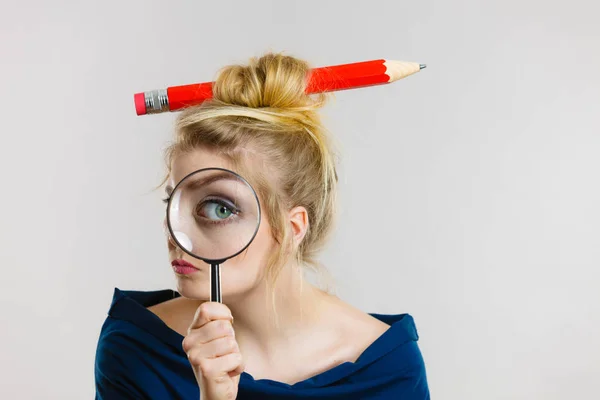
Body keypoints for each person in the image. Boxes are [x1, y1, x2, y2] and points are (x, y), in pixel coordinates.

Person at [94, 52, 430, 399]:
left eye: (219, 209)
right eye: (174, 202)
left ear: (292, 228)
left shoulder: (386, 370)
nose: (177, 236)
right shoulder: (136, 349)